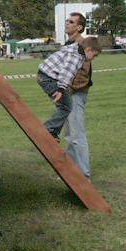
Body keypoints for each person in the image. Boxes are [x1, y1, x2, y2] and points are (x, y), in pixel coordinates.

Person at [38, 36, 102, 142]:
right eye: (94, 56)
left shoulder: (74, 49)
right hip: (49, 78)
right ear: (88, 50)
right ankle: (48, 129)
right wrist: (61, 89)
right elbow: (67, 73)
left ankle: (53, 131)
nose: (93, 59)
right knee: (66, 106)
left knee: (66, 105)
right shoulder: (76, 57)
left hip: (45, 74)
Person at [62, 13, 93, 179]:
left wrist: (69, 89)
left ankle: (83, 176)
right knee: (69, 136)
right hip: (67, 94)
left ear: (79, 27)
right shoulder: (69, 43)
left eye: (71, 22)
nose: (67, 23)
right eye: (67, 20)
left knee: (77, 136)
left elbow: (83, 74)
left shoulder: (82, 44)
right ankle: (72, 174)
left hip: (75, 94)